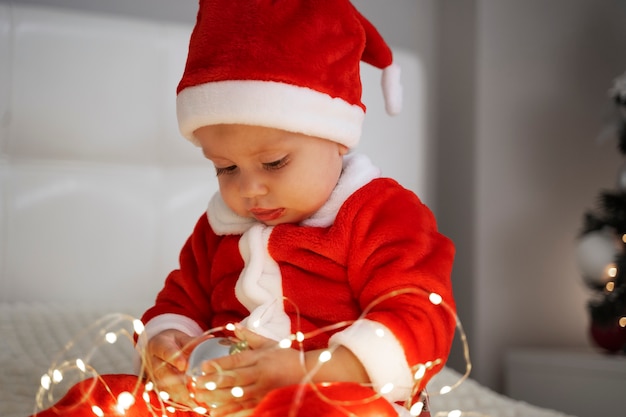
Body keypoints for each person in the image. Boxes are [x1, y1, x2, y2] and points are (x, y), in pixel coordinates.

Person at [30, 1, 456, 416]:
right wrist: (167, 344)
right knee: (102, 399)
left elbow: (421, 315)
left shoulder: (382, 214)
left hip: (336, 394)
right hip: (218, 399)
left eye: (274, 163)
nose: (250, 188)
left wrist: (308, 371)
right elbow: (180, 301)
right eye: (226, 167)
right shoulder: (218, 229)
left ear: (337, 139)